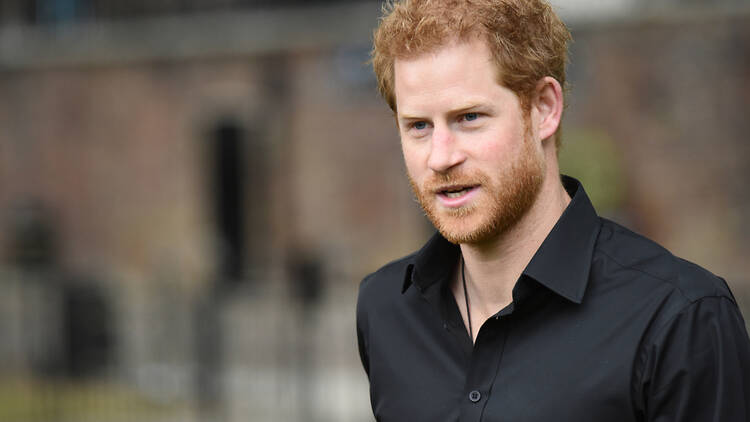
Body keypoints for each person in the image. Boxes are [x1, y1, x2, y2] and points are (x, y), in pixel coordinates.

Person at [355, 0, 750, 420]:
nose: (440, 157)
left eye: (469, 117)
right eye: (418, 125)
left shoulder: (681, 320)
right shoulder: (385, 308)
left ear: (544, 108)